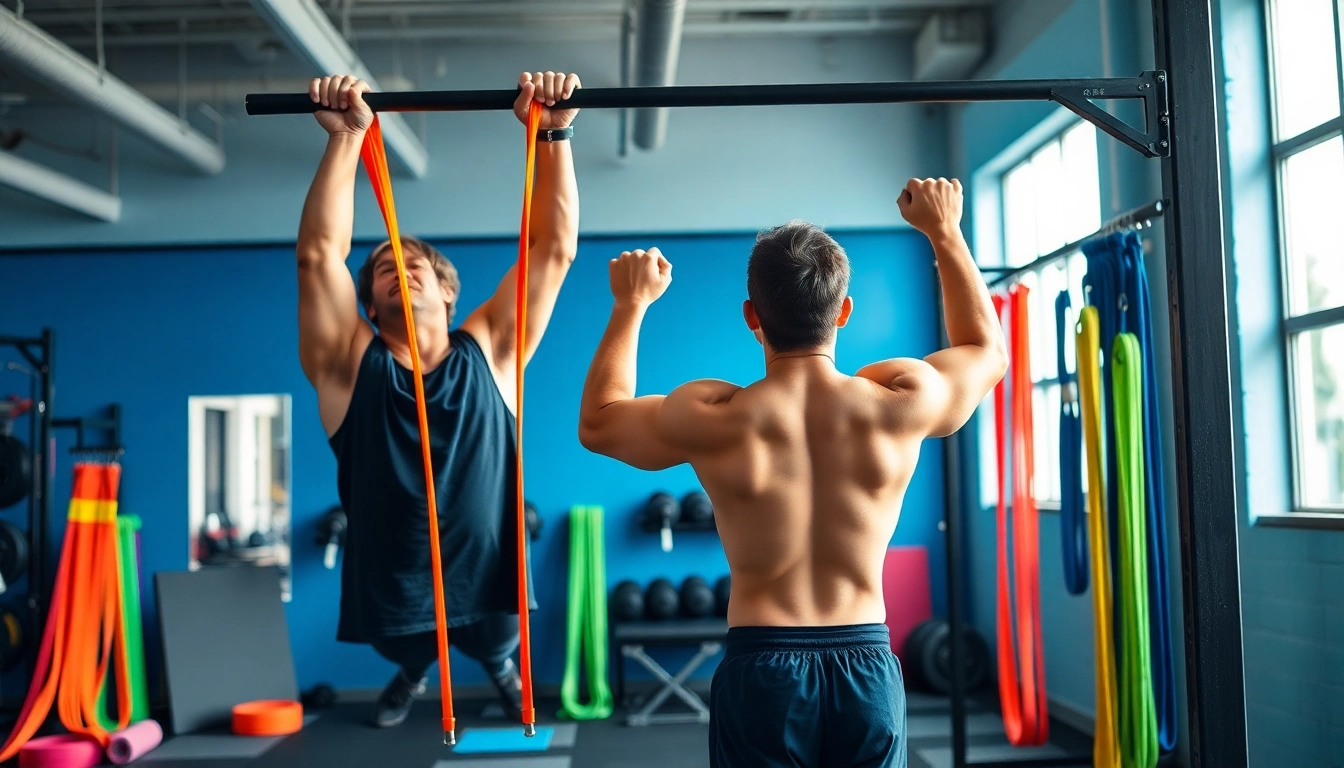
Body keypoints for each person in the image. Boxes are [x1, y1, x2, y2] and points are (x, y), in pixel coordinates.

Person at [577, 178, 1006, 767]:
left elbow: (599, 424)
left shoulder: (714, 416)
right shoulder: (900, 401)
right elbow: (987, 350)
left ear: (752, 315)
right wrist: (945, 231)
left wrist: (631, 304)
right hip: (866, 666)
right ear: (843, 310)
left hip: (762, 667)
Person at [296, 71, 582, 728]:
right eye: (384, 269)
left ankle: (502, 671)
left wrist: (555, 133)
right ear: (368, 305)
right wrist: (346, 138)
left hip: (487, 572)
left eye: (416, 263)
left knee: (493, 644)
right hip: (391, 580)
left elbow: (553, 249)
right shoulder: (347, 364)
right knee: (411, 646)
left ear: (448, 293)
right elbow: (318, 256)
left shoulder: (494, 349)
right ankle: (413, 672)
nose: (400, 264)